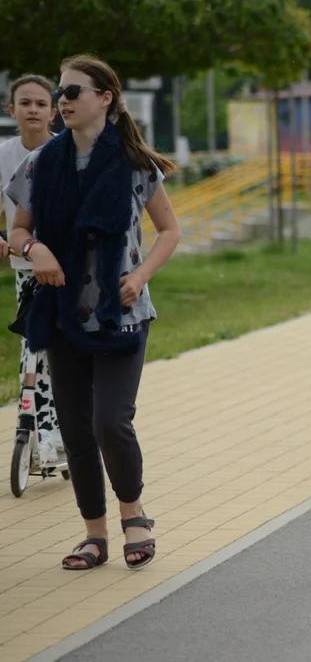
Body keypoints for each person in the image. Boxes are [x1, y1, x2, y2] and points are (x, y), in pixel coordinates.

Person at [5, 54, 181, 570]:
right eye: (61, 91)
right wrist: (34, 251)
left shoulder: (133, 163)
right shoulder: (41, 163)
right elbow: (17, 231)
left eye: (73, 91)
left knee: (111, 422)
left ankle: (134, 513)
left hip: (121, 314)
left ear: (105, 98)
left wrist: (140, 275)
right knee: (77, 430)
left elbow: (169, 230)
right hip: (61, 314)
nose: (63, 100)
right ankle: (94, 533)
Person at [1, 75, 63, 465]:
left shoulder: (65, 152)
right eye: (26, 103)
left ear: (53, 111)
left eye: (42, 104)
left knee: (56, 351)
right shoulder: (4, 155)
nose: (34, 110)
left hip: (64, 270)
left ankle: (58, 431)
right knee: (33, 346)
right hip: (25, 268)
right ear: (12, 111)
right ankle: (43, 430)